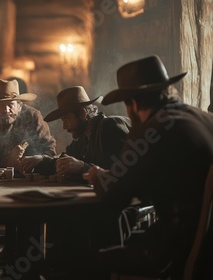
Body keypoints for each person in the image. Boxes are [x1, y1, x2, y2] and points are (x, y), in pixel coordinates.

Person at [81, 55, 213, 278]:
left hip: (179, 249)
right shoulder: (203, 117)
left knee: (83, 263)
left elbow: (112, 198)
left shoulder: (152, 130)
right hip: (206, 247)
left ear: (132, 103)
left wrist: (98, 176)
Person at [24, 86, 130, 181]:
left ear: (82, 113)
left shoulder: (110, 126)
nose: (64, 126)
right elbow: (63, 162)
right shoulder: (81, 141)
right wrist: (40, 160)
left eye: (66, 119)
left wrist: (82, 167)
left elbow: (124, 173)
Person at [0, 78, 56, 173]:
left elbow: (49, 150)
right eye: (1, 105)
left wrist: (37, 160)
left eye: (10, 105)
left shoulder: (33, 117)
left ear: (19, 106)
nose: (5, 110)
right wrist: (6, 161)